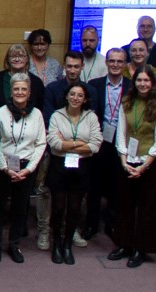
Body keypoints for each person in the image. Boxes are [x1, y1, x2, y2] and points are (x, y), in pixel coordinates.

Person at [109, 66, 156, 268]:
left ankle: (140, 249)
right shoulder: (127, 102)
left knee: (146, 208)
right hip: (127, 162)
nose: (142, 84)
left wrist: (143, 167)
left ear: (153, 83)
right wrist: (124, 161)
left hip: (148, 165)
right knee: (124, 206)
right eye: (139, 80)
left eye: (146, 80)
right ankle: (123, 244)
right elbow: (121, 134)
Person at [0, 73, 46, 265]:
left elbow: (40, 144)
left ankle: (14, 244)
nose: (20, 92)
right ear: (11, 92)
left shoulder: (37, 114)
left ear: (29, 93)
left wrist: (29, 169)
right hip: (3, 166)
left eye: (24, 89)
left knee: (20, 208)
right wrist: (4, 168)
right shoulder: (0, 113)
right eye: (16, 89)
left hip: (26, 167)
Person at [45, 83, 100, 264]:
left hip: (82, 168)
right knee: (59, 208)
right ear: (67, 96)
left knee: (75, 208)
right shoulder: (57, 115)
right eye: (72, 94)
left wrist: (69, 143)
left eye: (80, 95)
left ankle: (68, 245)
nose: (76, 98)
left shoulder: (91, 117)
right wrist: (80, 144)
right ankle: (57, 244)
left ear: (85, 99)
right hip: (59, 167)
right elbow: (54, 142)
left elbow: (95, 145)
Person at [84, 48, 132, 239]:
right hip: (98, 141)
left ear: (125, 64)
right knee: (93, 185)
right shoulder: (94, 85)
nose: (115, 65)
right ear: (106, 63)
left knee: (115, 184)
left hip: (120, 142)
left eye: (119, 61)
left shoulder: (131, 86)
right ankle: (91, 223)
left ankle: (111, 222)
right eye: (111, 61)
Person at [0, 45, 47, 115]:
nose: (17, 59)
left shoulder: (36, 82)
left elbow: (40, 107)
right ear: (7, 59)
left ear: (27, 59)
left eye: (21, 56)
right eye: (13, 56)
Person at [125, 16, 156, 81]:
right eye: (142, 26)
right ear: (137, 28)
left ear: (154, 29)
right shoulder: (124, 50)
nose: (145, 30)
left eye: (149, 26)